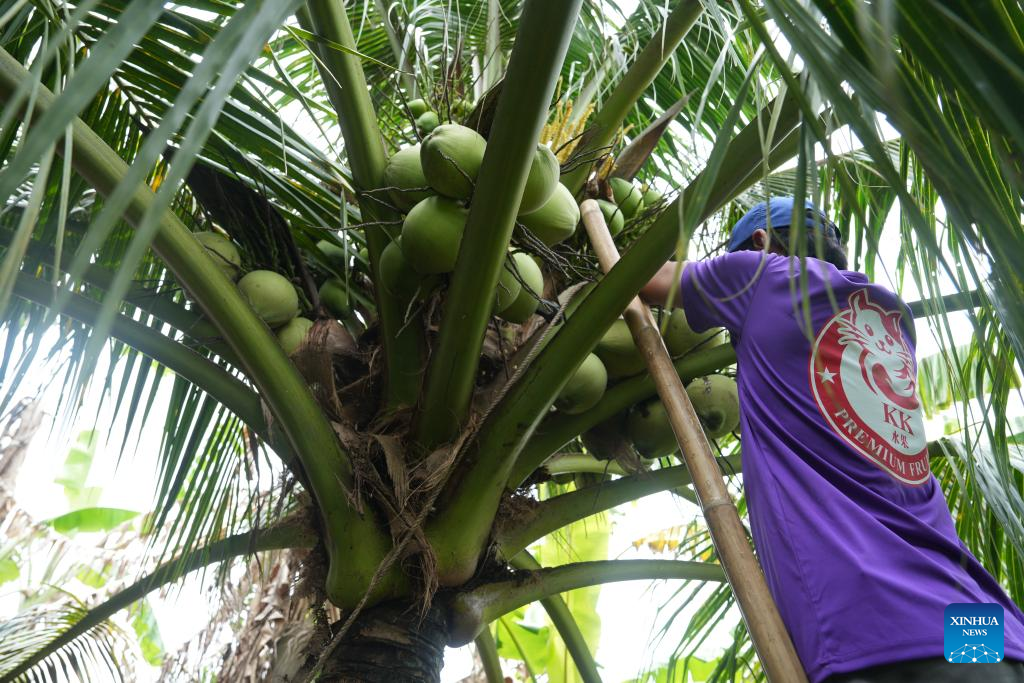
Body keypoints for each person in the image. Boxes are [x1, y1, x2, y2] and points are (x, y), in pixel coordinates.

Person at [639, 197, 1024, 683]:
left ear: (759, 244)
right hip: (987, 629)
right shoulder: (892, 319)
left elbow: (640, 276)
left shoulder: (759, 277)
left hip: (877, 631)